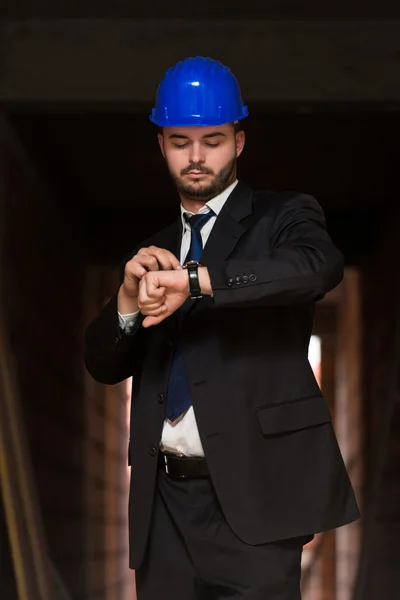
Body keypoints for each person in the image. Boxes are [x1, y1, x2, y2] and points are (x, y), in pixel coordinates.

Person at [84, 56, 360, 600]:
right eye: (181, 141)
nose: (196, 156)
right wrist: (124, 301)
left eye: (212, 139)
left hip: (255, 500)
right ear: (161, 145)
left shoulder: (283, 218)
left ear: (238, 142)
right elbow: (102, 363)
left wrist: (199, 279)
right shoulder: (153, 246)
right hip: (163, 510)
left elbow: (316, 267)